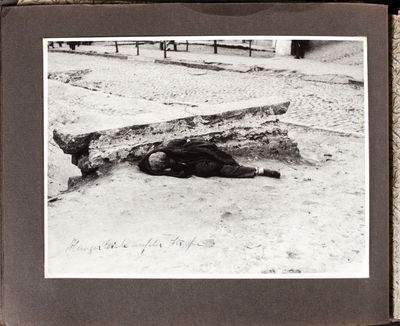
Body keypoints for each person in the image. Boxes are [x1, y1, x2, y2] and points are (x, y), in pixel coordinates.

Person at [138, 138, 281, 179]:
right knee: (225, 170)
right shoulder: (176, 167)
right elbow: (185, 172)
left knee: (223, 164)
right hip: (207, 165)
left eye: (163, 161)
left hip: (205, 153)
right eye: (162, 166)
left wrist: (190, 145)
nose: (165, 164)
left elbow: (186, 141)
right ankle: (259, 171)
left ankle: (260, 170)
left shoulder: (172, 147)